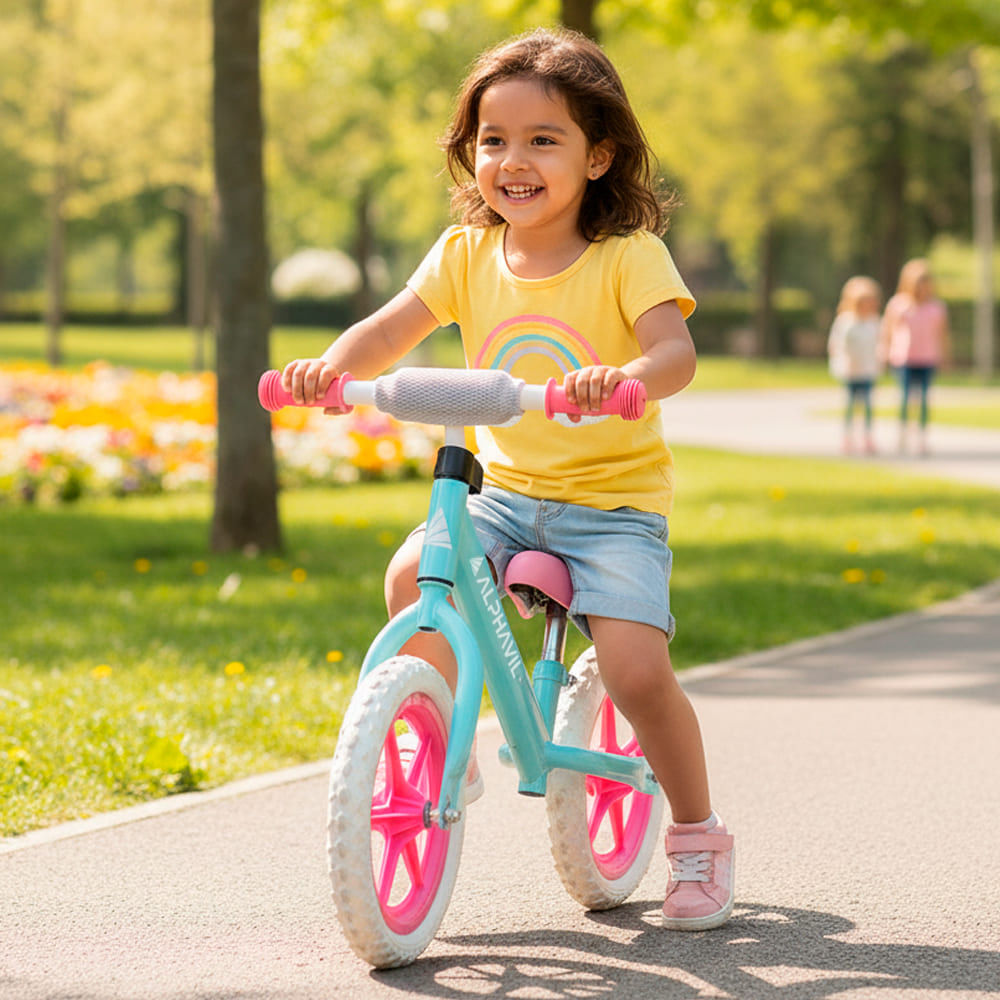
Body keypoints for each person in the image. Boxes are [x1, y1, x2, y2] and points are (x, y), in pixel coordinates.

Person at [280, 28, 734, 931]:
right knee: (413, 577)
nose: (512, 161)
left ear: (598, 155)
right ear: (470, 153)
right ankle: (437, 726)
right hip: (508, 496)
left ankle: (696, 836)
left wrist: (626, 380)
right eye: (493, 140)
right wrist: (329, 370)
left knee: (639, 672)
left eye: (543, 139)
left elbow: (674, 353)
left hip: (612, 509)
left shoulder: (625, 256)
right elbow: (387, 330)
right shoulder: (464, 255)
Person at [880, 258, 950, 455]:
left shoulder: (936, 307)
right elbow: (888, 331)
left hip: (927, 357)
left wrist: (944, 356)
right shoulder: (899, 305)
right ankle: (902, 434)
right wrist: (885, 352)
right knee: (905, 398)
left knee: (924, 399)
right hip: (904, 358)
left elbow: (942, 334)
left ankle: (922, 437)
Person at [827, 276, 882, 454]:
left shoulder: (873, 322)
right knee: (850, 405)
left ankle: (867, 437)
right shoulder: (845, 321)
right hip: (850, 371)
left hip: (868, 370)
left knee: (867, 405)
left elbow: (879, 344)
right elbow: (835, 344)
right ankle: (847, 437)